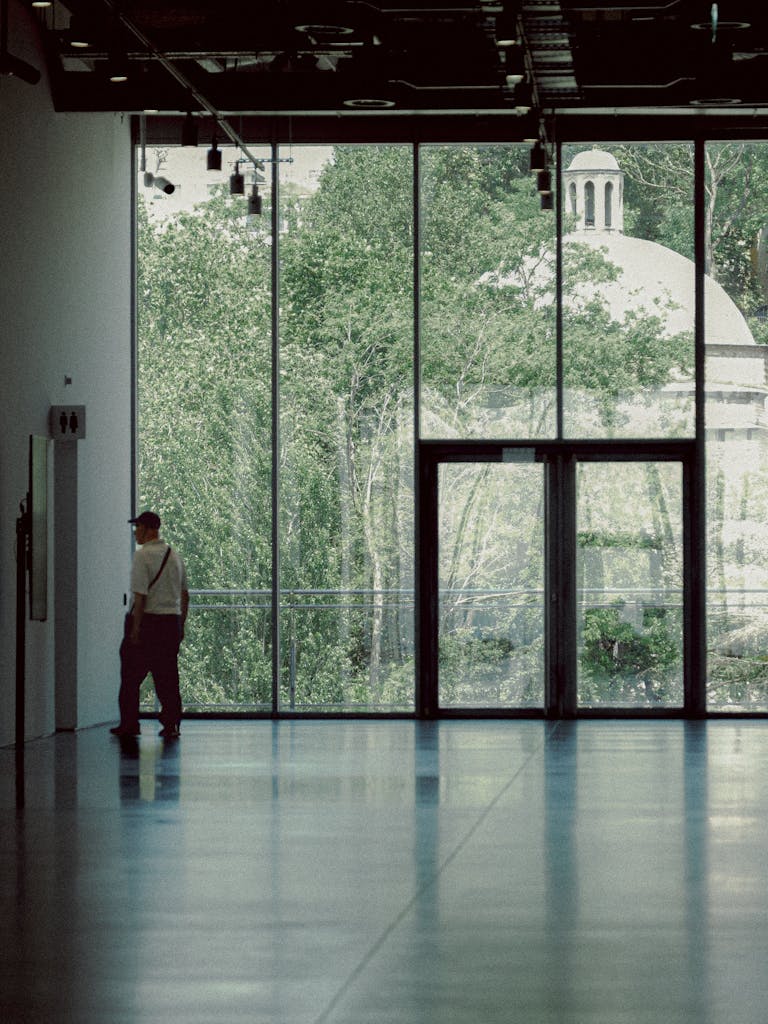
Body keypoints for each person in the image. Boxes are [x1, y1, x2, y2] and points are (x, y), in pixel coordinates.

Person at [111, 510, 189, 739]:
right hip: (170, 622)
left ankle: (129, 723)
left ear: (150, 530)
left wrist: (135, 630)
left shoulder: (142, 556)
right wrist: (180, 625)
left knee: (131, 677)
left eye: (139, 528)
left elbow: (140, 596)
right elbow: (185, 595)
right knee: (167, 677)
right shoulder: (175, 555)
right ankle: (172, 723)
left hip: (148, 623)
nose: (136, 532)